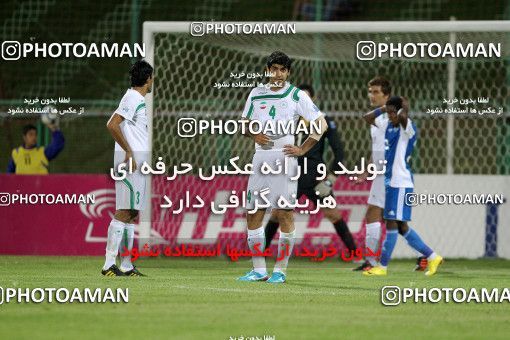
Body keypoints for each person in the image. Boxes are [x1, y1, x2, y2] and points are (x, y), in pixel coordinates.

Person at [238, 51, 328, 283]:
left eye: (282, 69)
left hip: (284, 157)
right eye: (273, 69)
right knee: (253, 213)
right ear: (268, 70)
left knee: (285, 213)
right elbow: (244, 125)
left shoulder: (297, 95)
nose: (277, 74)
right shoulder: (256, 94)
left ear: (288, 72)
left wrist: (303, 149)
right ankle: (259, 270)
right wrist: (253, 134)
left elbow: (321, 124)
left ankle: (280, 270)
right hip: (260, 158)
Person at [263, 83, 358, 258]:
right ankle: (260, 254)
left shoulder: (323, 120)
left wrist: (330, 180)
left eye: (306, 98)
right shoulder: (286, 120)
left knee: (333, 214)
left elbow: (339, 152)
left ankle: (355, 254)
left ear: (312, 100)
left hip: (316, 177)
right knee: (277, 214)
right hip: (291, 176)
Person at [362, 96, 443, 276]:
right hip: (391, 182)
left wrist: (401, 110)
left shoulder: (408, 127)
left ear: (400, 112)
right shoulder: (387, 125)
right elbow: (367, 118)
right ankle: (432, 256)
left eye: (393, 112)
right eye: (389, 113)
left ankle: (382, 267)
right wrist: (384, 109)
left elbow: (404, 118)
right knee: (401, 227)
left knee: (392, 224)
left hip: (401, 183)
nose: (391, 116)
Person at [354, 77, 427, 272]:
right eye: (370, 91)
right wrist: (367, 169)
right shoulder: (377, 119)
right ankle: (424, 256)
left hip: (392, 175)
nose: (371, 95)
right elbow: (378, 149)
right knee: (389, 220)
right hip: (380, 174)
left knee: (387, 219)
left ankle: (373, 262)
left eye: (376, 92)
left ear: (386, 95)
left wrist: (391, 107)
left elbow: (404, 118)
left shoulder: (395, 118)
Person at [102, 60, 153, 277]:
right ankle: (108, 264)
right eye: (152, 77)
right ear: (148, 78)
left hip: (138, 161)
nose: (153, 81)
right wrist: (129, 152)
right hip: (130, 162)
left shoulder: (136, 98)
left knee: (132, 212)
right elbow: (112, 124)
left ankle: (126, 264)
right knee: (124, 211)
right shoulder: (132, 97)